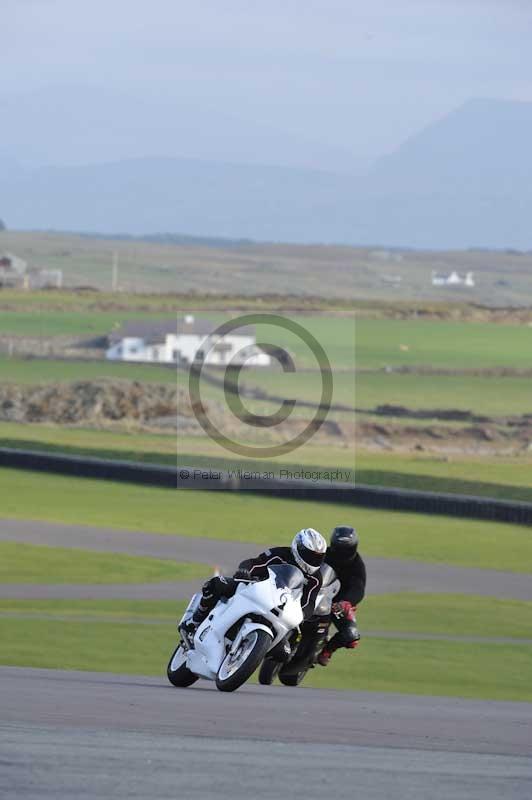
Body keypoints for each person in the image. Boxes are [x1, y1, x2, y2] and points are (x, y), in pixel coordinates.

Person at [185, 528, 327, 637]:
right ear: (298, 548)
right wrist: (245, 573)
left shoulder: (315, 578)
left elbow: (309, 603)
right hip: (256, 589)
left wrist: (301, 616)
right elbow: (253, 564)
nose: (313, 561)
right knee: (216, 584)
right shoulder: (280, 554)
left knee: (285, 651)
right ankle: (195, 620)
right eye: (310, 555)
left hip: (281, 610)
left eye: (318, 558)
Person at [317, 525, 366, 666]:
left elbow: (359, 588)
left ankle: (327, 651)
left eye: (347, 550)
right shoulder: (323, 555)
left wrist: (346, 602)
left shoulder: (357, 565)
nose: (342, 553)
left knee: (351, 636)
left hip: (338, 604)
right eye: (339, 549)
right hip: (316, 595)